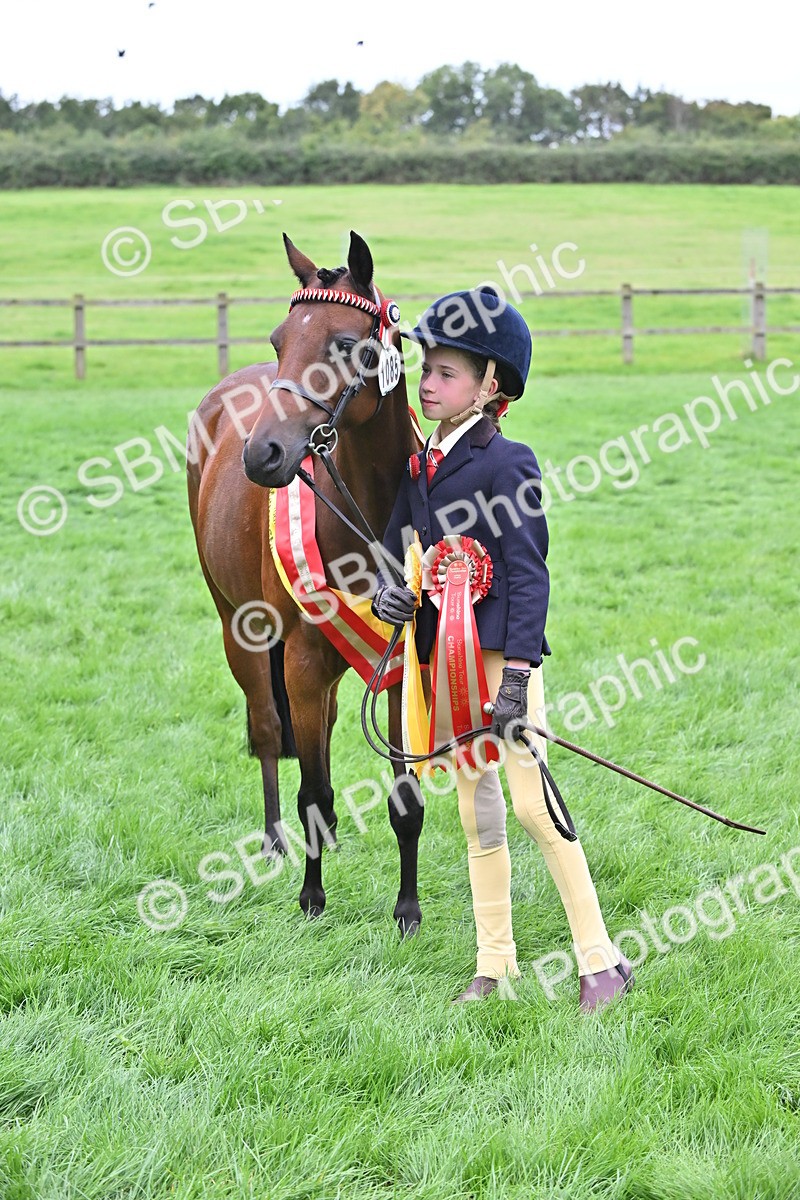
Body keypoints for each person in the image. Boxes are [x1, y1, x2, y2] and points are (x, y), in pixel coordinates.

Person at [372, 286, 633, 1011]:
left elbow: (527, 574)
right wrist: (393, 595)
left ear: (491, 386)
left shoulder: (509, 462)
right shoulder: (419, 463)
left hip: (497, 664)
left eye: (447, 373)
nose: (428, 382)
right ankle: (496, 965)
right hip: (442, 664)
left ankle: (600, 961)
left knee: (531, 806)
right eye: (426, 368)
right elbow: (404, 547)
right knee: (475, 814)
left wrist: (518, 676)